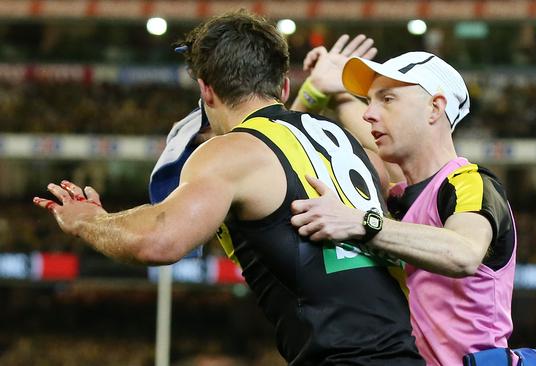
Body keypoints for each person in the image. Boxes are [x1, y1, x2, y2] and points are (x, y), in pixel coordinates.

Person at [33, 11, 424, 365]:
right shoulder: (340, 137)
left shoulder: (231, 151)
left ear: (206, 91)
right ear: (284, 87)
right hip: (405, 349)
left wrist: (89, 220)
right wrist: (332, 91)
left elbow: (159, 241)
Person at [290, 51, 517, 365]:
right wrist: (323, 90)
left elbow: (463, 252)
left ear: (434, 108)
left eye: (387, 99)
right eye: (368, 101)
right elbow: (291, 149)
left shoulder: (471, 183)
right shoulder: (398, 195)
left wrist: (363, 223)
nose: (369, 113)